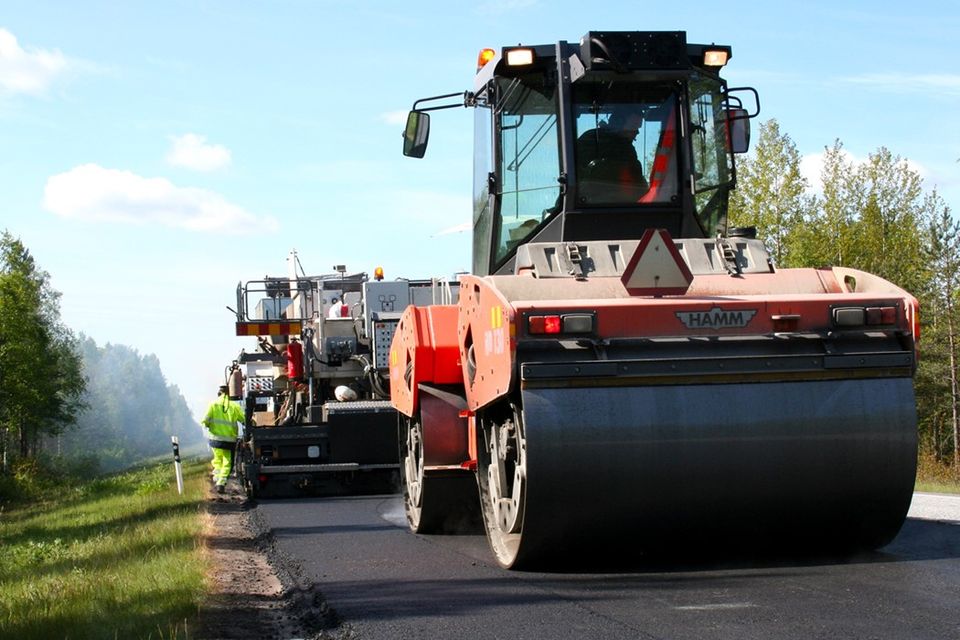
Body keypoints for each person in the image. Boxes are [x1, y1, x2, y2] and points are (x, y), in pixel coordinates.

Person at [576, 108, 649, 203]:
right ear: (618, 123)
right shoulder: (590, 141)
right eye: (634, 127)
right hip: (590, 201)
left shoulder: (627, 149)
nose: (637, 132)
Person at [202, 385, 245, 494]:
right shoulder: (234, 406)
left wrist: (210, 426)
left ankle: (216, 480)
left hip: (215, 440)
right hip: (229, 441)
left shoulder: (213, 404)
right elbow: (244, 420)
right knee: (227, 463)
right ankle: (221, 483)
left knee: (217, 461)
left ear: (219, 393)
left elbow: (205, 421)